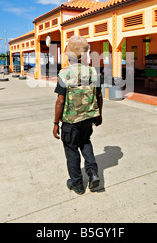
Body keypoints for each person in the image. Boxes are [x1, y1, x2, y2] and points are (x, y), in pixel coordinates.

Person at [53, 35, 103, 195]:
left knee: (71, 149)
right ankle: (92, 173)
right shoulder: (92, 72)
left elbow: (60, 101)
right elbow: (99, 95)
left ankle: (77, 184)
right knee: (85, 142)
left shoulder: (65, 73)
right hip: (88, 118)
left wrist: (55, 123)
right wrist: (99, 114)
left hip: (70, 120)